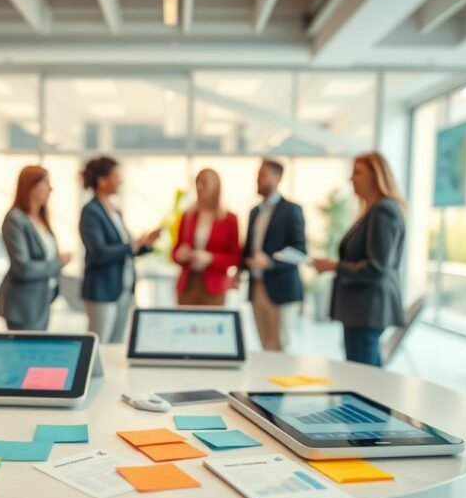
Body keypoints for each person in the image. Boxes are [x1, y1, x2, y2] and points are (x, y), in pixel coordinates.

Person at [313, 151, 406, 367]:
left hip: (367, 310)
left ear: (376, 176)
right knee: (366, 373)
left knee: (363, 375)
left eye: (357, 173)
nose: (351, 179)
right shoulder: (372, 211)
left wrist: (334, 266)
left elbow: (377, 268)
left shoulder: (383, 210)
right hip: (362, 310)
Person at [79, 156, 161, 344]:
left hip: (123, 289)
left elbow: (124, 251)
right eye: (116, 176)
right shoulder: (91, 211)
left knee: (116, 343)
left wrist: (145, 244)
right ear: (102, 180)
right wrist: (132, 245)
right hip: (102, 290)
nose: (120, 181)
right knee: (99, 343)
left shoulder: (115, 210)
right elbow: (99, 253)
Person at [0, 166, 73, 331]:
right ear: (31, 186)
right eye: (46, 183)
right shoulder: (15, 219)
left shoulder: (41, 219)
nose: (50, 189)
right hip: (23, 306)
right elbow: (23, 268)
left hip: (42, 301)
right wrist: (58, 262)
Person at [244, 159, 305, 352]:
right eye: (257, 174)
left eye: (263, 174)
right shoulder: (255, 212)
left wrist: (270, 263)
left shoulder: (291, 210)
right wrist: (240, 269)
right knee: (265, 346)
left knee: (282, 346)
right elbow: (248, 248)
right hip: (257, 286)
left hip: (282, 289)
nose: (257, 179)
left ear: (277, 178)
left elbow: (299, 251)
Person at [171, 169, 241, 306]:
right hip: (188, 284)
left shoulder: (230, 219)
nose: (199, 187)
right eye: (197, 182)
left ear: (216, 186)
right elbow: (174, 252)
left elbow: (235, 257)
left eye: (204, 182)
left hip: (214, 286)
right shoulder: (188, 216)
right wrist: (180, 255)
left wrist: (211, 258)